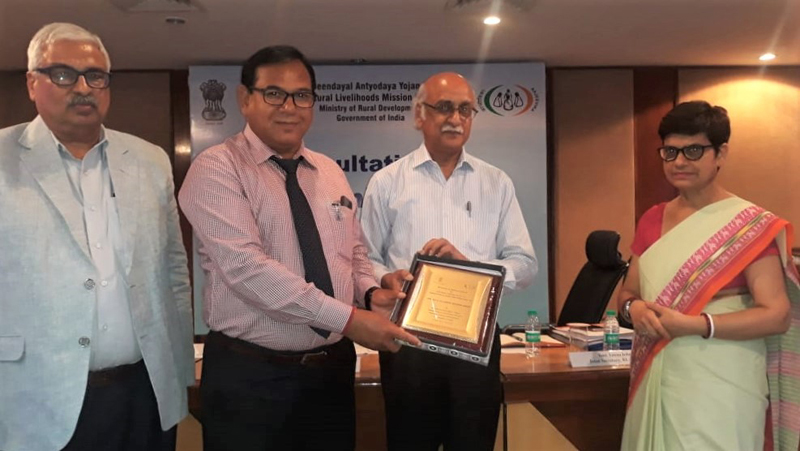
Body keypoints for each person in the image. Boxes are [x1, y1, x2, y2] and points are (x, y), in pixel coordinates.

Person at [178, 45, 419, 451]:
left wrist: (371, 292)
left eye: (302, 95)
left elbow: (352, 253)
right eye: (274, 93)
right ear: (245, 99)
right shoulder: (217, 167)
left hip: (330, 375)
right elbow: (248, 269)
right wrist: (348, 319)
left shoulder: (328, 170)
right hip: (251, 377)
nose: (289, 106)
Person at [0, 23, 194, 451]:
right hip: (34, 396)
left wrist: (181, 372)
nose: (83, 87)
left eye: (96, 75)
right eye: (64, 74)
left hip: (145, 391)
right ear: (33, 83)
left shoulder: (149, 160)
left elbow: (172, 271)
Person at [360, 72, 537, 451]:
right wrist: (385, 279)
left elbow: (524, 263)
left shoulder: (496, 182)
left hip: (476, 345)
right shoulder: (387, 181)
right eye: (443, 107)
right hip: (409, 346)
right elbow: (364, 259)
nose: (455, 118)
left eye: (465, 109)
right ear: (419, 114)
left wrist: (472, 267)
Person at [618, 101, 800, 450]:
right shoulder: (652, 219)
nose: (680, 162)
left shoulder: (748, 226)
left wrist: (695, 325)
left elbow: (776, 315)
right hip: (658, 371)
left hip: (723, 382)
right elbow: (628, 293)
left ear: (721, 153)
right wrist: (634, 311)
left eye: (694, 150)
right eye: (670, 151)